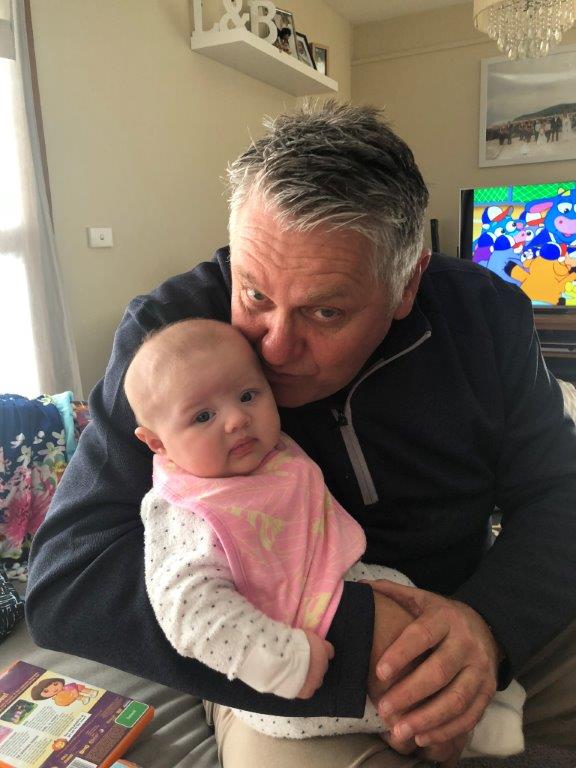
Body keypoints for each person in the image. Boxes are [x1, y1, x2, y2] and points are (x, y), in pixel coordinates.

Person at [26, 102, 576, 768]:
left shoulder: (484, 314)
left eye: (326, 311)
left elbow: (559, 491)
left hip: (474, 604)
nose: (275, 349)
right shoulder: (168, 342)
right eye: (254, 295)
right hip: (275, 652)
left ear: (406, 284)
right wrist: (357, 638)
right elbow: (69, 582)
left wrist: (488, 627)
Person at [124, 317, 524, 755]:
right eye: (203, 416)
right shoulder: (188, 508)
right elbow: (188, 608)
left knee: (413, 609)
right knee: (402, 658)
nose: (237, 419)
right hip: (284, 663)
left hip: (336, 586)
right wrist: (283, 661)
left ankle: (450, 712)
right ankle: (449, 728)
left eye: (248, 395)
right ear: (156, 443)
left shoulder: (268, 457)